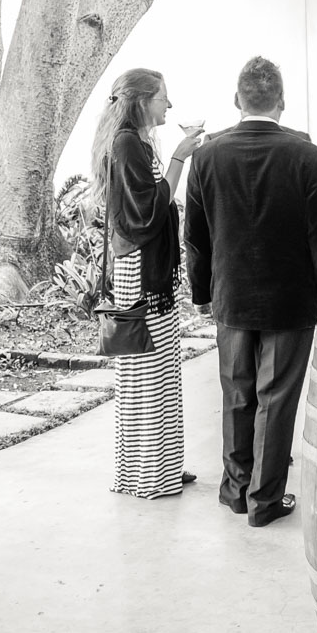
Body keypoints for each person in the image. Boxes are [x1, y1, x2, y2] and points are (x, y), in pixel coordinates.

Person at [184, 57, 317, 528]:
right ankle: (264, 500)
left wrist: (201, 292)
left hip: (230, 294)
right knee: (276, 399)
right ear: (282, 102)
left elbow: (195, 235)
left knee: (236, 392)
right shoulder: (307, 155)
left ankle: (235, 490)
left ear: (237, 100)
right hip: (291, 297)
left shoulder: (206, 156)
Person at [92, 68, 203, 498]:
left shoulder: (135, 141)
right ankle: (148, 475)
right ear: (141, 101)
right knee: (147, 374)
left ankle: (163, 466)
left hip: (147, 270)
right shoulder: (126, 143)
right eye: (162, 97)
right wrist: (179, 158)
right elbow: (148, 213)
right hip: (140, 271)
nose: (169, 105)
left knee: (160, 370)